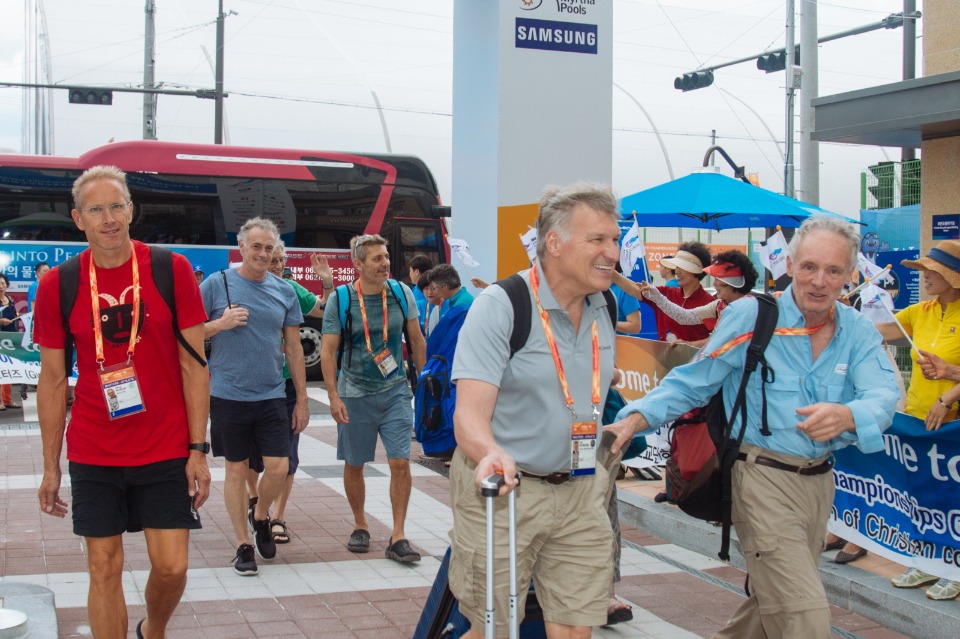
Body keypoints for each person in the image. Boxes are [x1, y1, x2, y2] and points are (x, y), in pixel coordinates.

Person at [608, 215, 900, 639]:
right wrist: (632, 421)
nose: (819, 281)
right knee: (805, 614)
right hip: (759, 477)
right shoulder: (751, 316)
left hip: (819, 485)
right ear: (791, 265)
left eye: (833, 270)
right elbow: (695, 381)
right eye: (809, 267)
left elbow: (883, 393)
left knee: (771, 605)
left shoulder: (856, 330)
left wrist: (850, 415)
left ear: (849, 274)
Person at [34, 165, 211, 639]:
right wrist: (51, 466)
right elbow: (52, 382)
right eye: (96, 209)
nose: (108, 218)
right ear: (78, 218)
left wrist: (199, 450)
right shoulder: (59, 284)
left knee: (172, 567)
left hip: (165, 445)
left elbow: (195, 365)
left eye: (117, 206)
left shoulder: (169, 270)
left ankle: (152, 628)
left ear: (132, 210)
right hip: (94, 447)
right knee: (103, 566)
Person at [450, 183, 621, 637]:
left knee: (576, 625)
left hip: (582, 490)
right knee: (495, 629)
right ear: (554, 243)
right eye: (598, 240)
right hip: (508, 492)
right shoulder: (502, 305)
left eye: (615, 239)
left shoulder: (606, 305)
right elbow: (468, 413)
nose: (612, 252)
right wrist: (488, 450)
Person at [201, 217, 309, 576]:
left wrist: (304, 400)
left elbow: (294, 348)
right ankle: (242, 543)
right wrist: (220, 324)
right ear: (242, 246)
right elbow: (186, 332)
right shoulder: (217, 285)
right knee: (235, 471)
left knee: (279, 467)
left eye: (268, 248)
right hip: (228, 395)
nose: (262, 254)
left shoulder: (285, 291)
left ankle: (260, 515)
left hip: (272, 394)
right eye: (256, 247)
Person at [320, 234, 426, 562]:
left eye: (386, 257)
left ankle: (398, 535)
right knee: (355, 464)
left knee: (400, 462)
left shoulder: (400, 292)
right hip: (354, 394)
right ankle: (360, 524)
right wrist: (334, 397)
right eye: (377, 259)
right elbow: (328, 351)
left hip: (395, 390)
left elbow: (417, 340)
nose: (385, 264)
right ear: (358, 265)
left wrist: (422, 383)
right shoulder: (340, 300)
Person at [873, 240, 960, 601]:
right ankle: (928, 561)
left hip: (953, 423)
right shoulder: (919, 311)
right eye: (923, 270)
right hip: (920, 420)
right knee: (923, 492)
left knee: (955, 497)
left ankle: (955, 568)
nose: (924, 276)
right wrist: (837, 311)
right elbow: (878, 332)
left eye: (933, 271)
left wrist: (948, 397)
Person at [245, 242, 333, 544]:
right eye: (273, 260)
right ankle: (256, 500)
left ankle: (278, 516)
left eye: (282, 260)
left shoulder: (292, 290)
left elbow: (324, 311)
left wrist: (326, 283)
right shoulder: (241, 289)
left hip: (285, 387)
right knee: (247, 456)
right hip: (251, 385)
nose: (278, 265)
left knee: (286, 454)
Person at [617, 250, 759, 347]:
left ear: (732, 282)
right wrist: (658, 297)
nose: (714, 283)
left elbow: (719, 340)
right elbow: (684, 316)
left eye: (719, 279)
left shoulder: (753, 309)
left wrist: (691, 346)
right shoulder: (717, 305)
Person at [638, 243, 714, 343]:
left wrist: (690, 345)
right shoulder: (666, 292)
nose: (677, 271)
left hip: (695, 358)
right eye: (676, 267)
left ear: (697, 271)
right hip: (663, 357)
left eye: (682, 267)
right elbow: (637, 289)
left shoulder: (710, 303)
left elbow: (718, 338)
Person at [0, 274, 21, 410]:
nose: (1, 286)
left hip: (10, 340)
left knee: (7, 369)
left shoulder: (11, 300)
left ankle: (8, 399)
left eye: (3, 283)